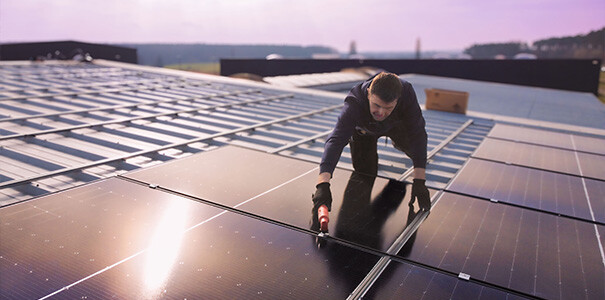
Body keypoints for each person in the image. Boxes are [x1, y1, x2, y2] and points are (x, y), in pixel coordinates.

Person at [311, 72, 431, 219]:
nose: (381, 112)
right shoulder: (355, 102)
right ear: (368, 94)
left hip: (397, 128)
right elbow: (336, 140)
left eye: (388, 107)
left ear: (398, 100)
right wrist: (322, 185)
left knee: (416, 153)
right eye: (376, 105)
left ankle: (398, 143)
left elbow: (418, 134)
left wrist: (419, 180)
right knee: (365, 172)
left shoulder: (407, 93)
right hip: (365, 132)